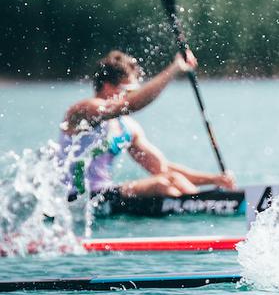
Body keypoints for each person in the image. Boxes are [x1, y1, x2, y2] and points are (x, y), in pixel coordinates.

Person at [58, 50, 236, 203]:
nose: (133, 95)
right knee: (163, 184)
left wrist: (215, 179)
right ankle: (205, 207)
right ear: (107, 86)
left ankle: (204, 205)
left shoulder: (127, 128)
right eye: (129, 91)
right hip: (77, 199)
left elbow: (162, 168)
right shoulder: (84, 111)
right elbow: (131, 105)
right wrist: (174, 68)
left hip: (104, 195)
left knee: (172, 179)